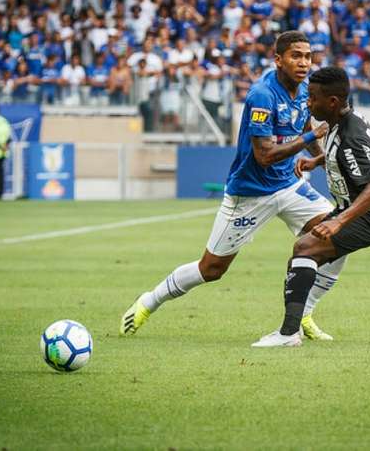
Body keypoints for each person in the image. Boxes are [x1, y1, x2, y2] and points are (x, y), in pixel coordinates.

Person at [120, 31, 347, 341]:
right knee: (211, 269)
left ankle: (304, 313)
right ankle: (150, 300)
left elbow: (303, 122)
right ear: (278, 59)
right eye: (296, 56)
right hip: (249, 194)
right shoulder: (262, 95)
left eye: (308, 56)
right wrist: (312, 139)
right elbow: (264, 155)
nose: (304, 63)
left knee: (339, 235)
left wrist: (318, 157)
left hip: (290, 186)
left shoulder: (307, 89)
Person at [252, 67, 370, 347]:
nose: (308, 102)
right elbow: (343, 158)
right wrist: (316, 161)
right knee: (306, 252)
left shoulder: (352, 136)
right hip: (353, 206)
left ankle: (288, 334)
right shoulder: (339, 122)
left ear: (332, 101)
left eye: (313, 98)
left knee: (305, 249)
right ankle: (297, 323)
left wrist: (338, 222)